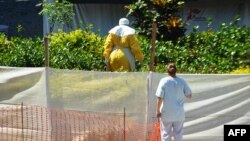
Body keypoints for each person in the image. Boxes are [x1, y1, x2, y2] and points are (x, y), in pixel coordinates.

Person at [155, 63, 192, 141]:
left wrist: (157, 111)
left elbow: (160, 97)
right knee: (178, 134)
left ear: (167, 71)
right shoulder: (182, 81)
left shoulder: (164, 81)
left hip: (166, 113)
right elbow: (189, 96)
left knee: (165, 134)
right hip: (179, 114)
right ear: (176, 70)